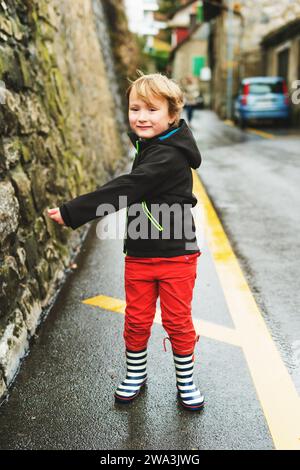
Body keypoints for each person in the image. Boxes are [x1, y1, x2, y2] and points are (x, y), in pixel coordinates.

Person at [47, 72, 204, 411]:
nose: (142, 117)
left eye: (152, 109)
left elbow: (127, 188)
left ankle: (186, 380)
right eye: (135, 109)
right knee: (136, 319)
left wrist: (74, 211)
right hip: (140, 253)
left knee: (178, 321)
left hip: (177, 255)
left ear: (173, 115)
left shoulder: (169, 155)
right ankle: (136, 374)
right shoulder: (149, 145)